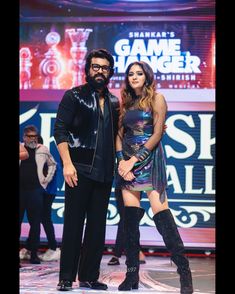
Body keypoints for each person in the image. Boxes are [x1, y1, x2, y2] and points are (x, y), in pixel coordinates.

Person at [115, 61, 193, 293]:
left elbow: (158, 133)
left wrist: (133, 160)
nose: (134, 77)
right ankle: (131, 276)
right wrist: (121, 160)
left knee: (163, 217)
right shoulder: (125, 102)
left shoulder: (157, 99)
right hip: (127, 164)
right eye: (131, 74)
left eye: (139, 73)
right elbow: (119, 134)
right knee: (130, 223)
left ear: (147, 76)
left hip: (149, 159)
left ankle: (184, 272)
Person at [53, 49, 119, 291]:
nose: (100, 71)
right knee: (73, 225)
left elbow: (117, 137)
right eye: (95, 66)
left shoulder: (113, 101)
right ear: (87, 69)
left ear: (111, 72)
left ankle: (90, 276)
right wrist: (67, 164)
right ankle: (66, 277)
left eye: (104, 67)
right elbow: (59, 130)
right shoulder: (73, 96)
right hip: (79, 169)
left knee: (96, 228)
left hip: (104, 173)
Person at [20, 135, 60, 262]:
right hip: (41, 193)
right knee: (37, 221)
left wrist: (42, 185)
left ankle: (53, 248)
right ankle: (29, 247)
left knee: (43, 219)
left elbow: (48, 176)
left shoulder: (45, 158)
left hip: (46, 193)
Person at [107, 188, 146, 266]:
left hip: (135, 181)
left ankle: (118, 254)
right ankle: (136, 250)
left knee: (130, 215)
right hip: (120, 180)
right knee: (124, 216)